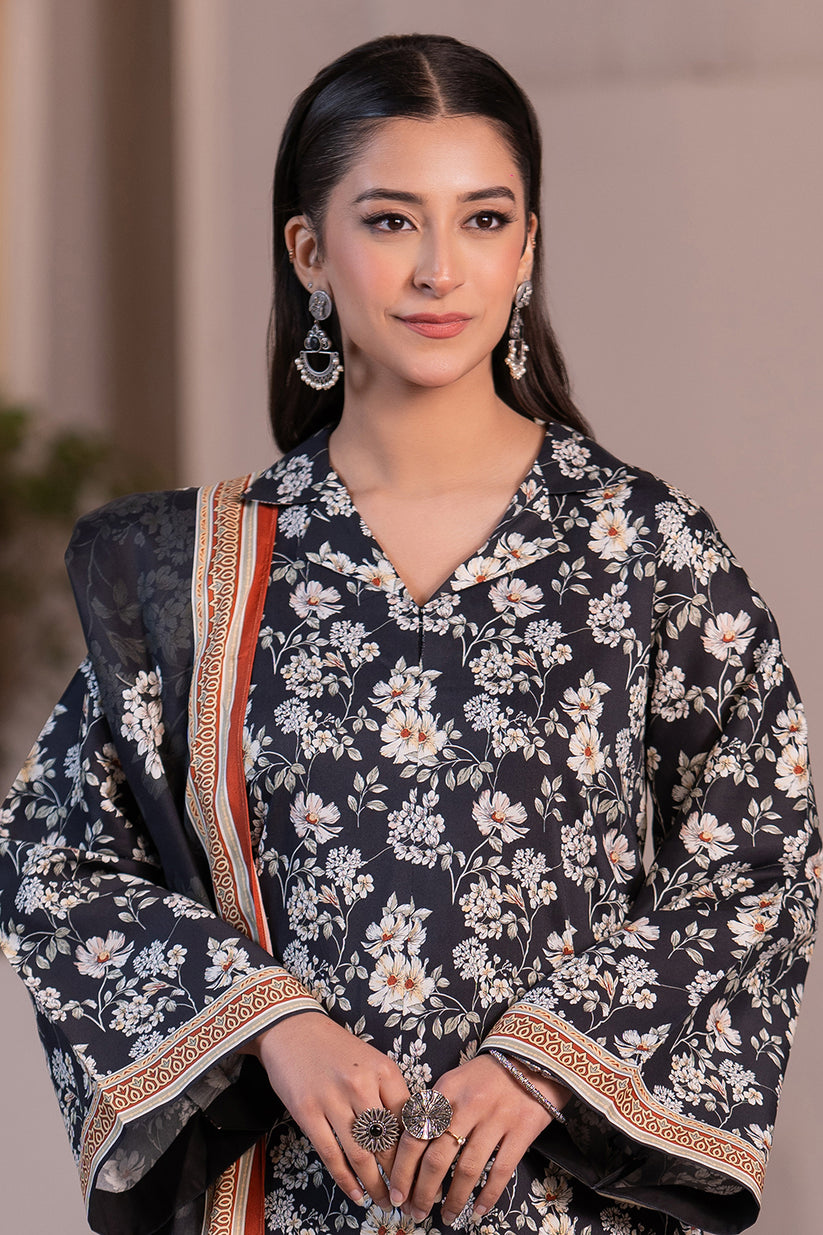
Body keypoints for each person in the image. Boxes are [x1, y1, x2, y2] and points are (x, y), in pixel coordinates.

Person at [0, 32, 818, 1235]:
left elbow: (760, 853)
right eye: (390, 221)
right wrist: (270, 1021)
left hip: (557, 1211)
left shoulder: (640, 550)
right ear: (310, 251)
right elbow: (56, 854)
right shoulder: (200, 573)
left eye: (483, 220)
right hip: (287, 1207)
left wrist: (548, 1058)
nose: (441, 268)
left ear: (528, 246)